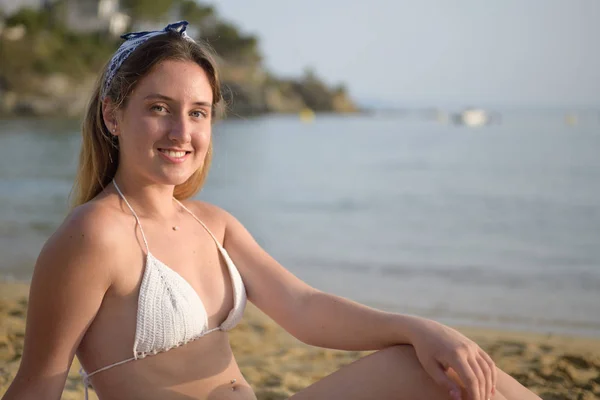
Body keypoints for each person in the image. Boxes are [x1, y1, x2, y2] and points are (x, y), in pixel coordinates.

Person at [2, 21, 542, 400]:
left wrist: (420, 328)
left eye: (198, 113)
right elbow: (39, 383)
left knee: (446, 368)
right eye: (159, 109)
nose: (181, 132)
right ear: (113, 115)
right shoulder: (95, 235)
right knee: (426, 375)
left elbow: (304, 309)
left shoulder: (212, 223)